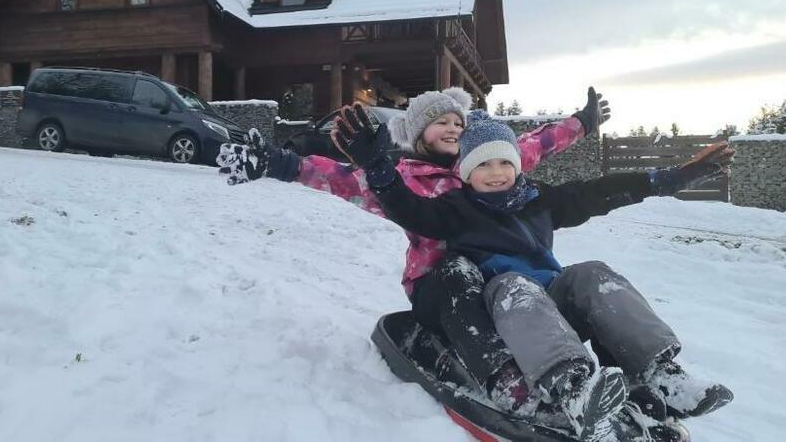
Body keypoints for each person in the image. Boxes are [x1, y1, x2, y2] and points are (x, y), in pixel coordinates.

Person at [329, 106, 735, 442]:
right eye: (483, 164)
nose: (496, 171)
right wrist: (379, 168)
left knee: (593, 274)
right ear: (466, 172)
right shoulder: (457, 209)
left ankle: (660, 374)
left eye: (505, 161)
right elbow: (410, 210)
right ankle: (571, 389)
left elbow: (597, 191)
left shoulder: (539, 200)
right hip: (498, 306)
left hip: (549, 305)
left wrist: (669, 179)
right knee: (516, 286)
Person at [217, 87, 607, 413]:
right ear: (419, 132)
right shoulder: (403, 178)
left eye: (459, 122)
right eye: (442, 122)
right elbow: (341, 180)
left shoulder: (487, 163)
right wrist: (280, 163)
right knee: (458, 271)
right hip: (442, 289)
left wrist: (583, 122)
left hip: (502, 283)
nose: (454, 128)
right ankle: (505, 379)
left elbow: (539, 141)